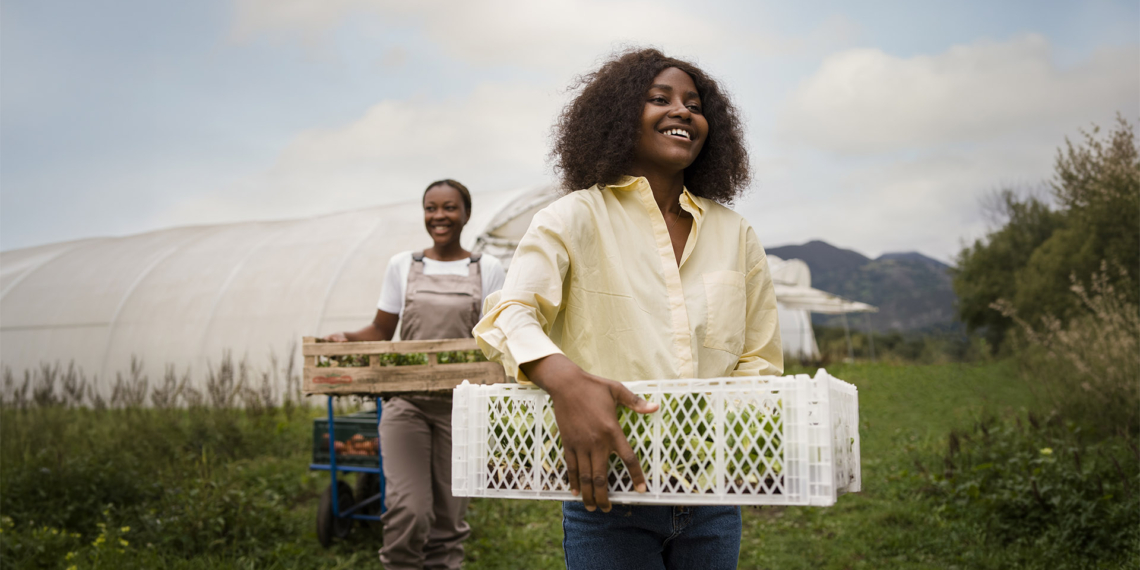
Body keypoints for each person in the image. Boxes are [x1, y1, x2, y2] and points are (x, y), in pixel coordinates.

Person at [473, 49, 783, 569]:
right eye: (658, 99)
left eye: (694, 103)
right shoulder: (572, 217)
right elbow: (512, 314)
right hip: (608, 493)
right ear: (617, 119)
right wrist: (565, 380)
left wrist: (745, 448)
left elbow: (757, 358)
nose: (682, 110)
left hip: (711, 499)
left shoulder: (737, 233)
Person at [325, 179, 505, 570]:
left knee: (448, 520)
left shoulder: (487, 269)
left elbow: (498, 337)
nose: (439, 216)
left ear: (466, 215)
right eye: (430, 207)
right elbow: (379, 331)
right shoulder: (404, 265)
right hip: (406, 403)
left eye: (449, 208)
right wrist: (347, 338)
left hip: (461, 409)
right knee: (409, 509)